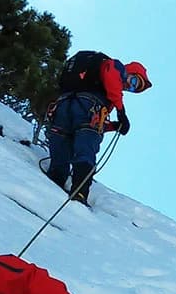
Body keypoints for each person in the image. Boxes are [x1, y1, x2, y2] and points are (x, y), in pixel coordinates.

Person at [45, 50, 152, 205]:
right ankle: (80, 193)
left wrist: (114, 126)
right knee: (86, 149)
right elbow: (90, 124)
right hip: (88, 107)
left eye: (133, 89)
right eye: (134, 81)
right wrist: (121, 111)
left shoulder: (101, 81)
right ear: (129, 72)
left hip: (63, 107)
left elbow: (96, 122)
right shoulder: (116, 68)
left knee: (61, 147)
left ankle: (52, 183)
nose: (129, 87)